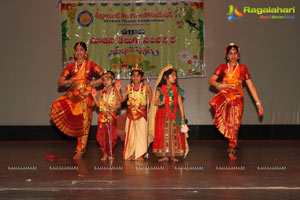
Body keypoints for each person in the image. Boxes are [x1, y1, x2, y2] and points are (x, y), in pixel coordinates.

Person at [209, 43, 264, 160]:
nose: (233, 55)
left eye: (235, 53)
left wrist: (258, 103)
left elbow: (251, 86)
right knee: (225, 119)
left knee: (235, 123)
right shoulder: (222, 67)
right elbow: (212, 80)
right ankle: (230, 142)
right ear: (227, 56)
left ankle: (232, 147)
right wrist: (220, 85)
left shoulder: (243, 68)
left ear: (238, 56)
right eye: (230, 53)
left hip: (238, 98)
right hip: (225, 96)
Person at [50, 42, 103, 159]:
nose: (79, 52)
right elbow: (60, 82)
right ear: (74, 53)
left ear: (85, 52)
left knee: (84, 123)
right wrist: (70, 81)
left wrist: (93, 83)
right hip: (73, 96)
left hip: (85, 97)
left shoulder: (90, 65)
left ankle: (80, 150)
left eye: (81, 50)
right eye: (77, 50)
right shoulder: (70, 67)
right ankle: (79, 147)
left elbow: (105, 76)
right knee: (71, 117)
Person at [149, 64, 189, 162]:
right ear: (166, 77)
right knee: (164, 132)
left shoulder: (177, 89)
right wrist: (161, 102)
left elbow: (180, 103)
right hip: (162, 114)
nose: (175, 78)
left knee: (174, 132)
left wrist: (183, 116)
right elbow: (155, 102)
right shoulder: (160, 89)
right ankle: (165, 154)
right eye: (173, 76)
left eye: (175, 76)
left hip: (175, 114)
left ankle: (173, 155)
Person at [116, 65, 152, 161]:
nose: (135, 78)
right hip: (131, 114)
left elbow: (151, 102)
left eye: (138, 75)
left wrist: (149, 93)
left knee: (141, 134)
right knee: (130, 134)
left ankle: (139, 154)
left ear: (142, 77)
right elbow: (122, 99)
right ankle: (131, 153)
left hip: (142, 114)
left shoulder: (146, 87)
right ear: (131, 77)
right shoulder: (128, 87)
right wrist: (118, 90)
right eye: (133, 75)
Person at [92, 71, 120, 161]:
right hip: (102, 116)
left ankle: (111, 153)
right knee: (101, 136)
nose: (105, 82)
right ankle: (104, 154)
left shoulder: (116, 91)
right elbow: (98, 105)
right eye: (103, 80)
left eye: (107, 80)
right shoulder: (101, 92)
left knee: (112, 136)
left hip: (111, 115)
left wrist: (111, 107)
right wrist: (94, 97)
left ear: (112, 80)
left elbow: (119, 105)